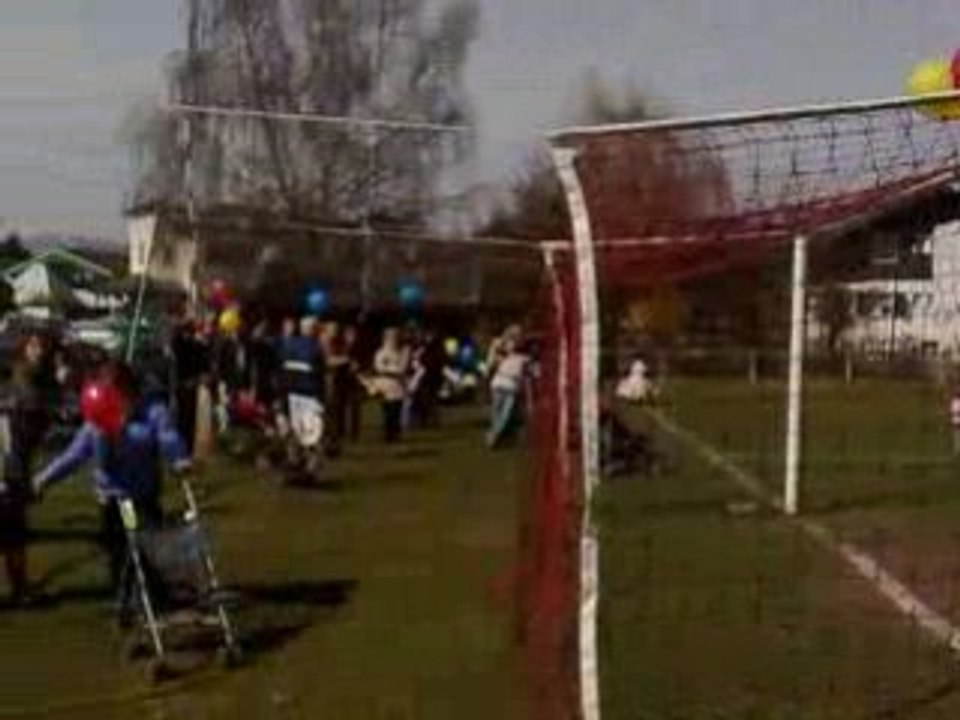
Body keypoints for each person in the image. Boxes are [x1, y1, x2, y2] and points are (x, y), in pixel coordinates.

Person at [32, 362, 191, 595]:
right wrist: (43, 480)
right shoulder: (98, 419)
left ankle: (152, 591)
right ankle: (129, 594)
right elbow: (74, 455)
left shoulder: (152, 411)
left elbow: (168, 436)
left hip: (143, 493)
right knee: (124, 544)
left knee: (148, 543)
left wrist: (178, 458)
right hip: (117, 497)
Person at [0, 335, 55, 606]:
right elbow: (30, 433)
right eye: (34, 346)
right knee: (14, 535)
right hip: (10, 472)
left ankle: (20, 587)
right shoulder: (24, 395)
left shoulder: (18, 393)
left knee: (14, 534)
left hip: (13, 470)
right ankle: (20, 589)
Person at [486, 334, 529, 449]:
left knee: (505, 415)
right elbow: (490, 363)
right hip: (498, 386)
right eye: (510, 344)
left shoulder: (523, 358)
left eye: (513, 344)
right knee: (496, 414)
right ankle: (493, 437)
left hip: (511, 389)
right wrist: (493, 347)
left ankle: (494, 436)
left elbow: (529, 370)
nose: (512, 346)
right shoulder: (502, 357)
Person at [374, 328, 410, 443]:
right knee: (387, 412)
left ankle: (395, 433)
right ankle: (388, 434)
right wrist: (393, 370)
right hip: (385, 386)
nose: (392, 340)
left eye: (394, 338)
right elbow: (379, 367)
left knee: (396, 411)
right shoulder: (381, 353)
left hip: (398, 387)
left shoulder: (402, 352)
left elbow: (402, 369)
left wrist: (391, 370)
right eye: (390, 338)